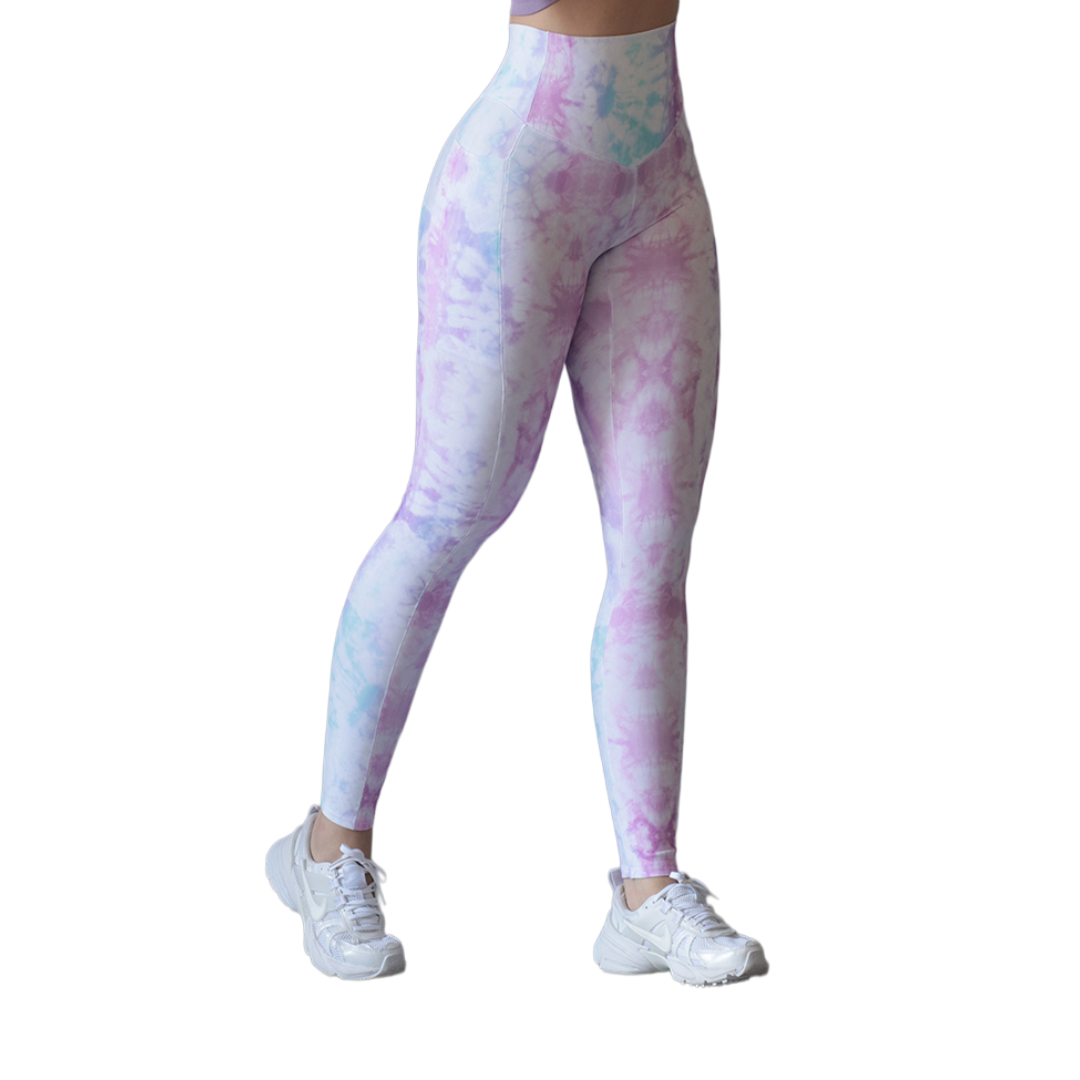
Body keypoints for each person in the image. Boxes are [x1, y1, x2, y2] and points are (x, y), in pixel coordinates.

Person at [266, 0, 769, 987]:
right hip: (520, 182)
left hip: (660, 184)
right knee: (449, 513)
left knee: (654, 556)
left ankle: (647, 889)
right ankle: (326, 847)